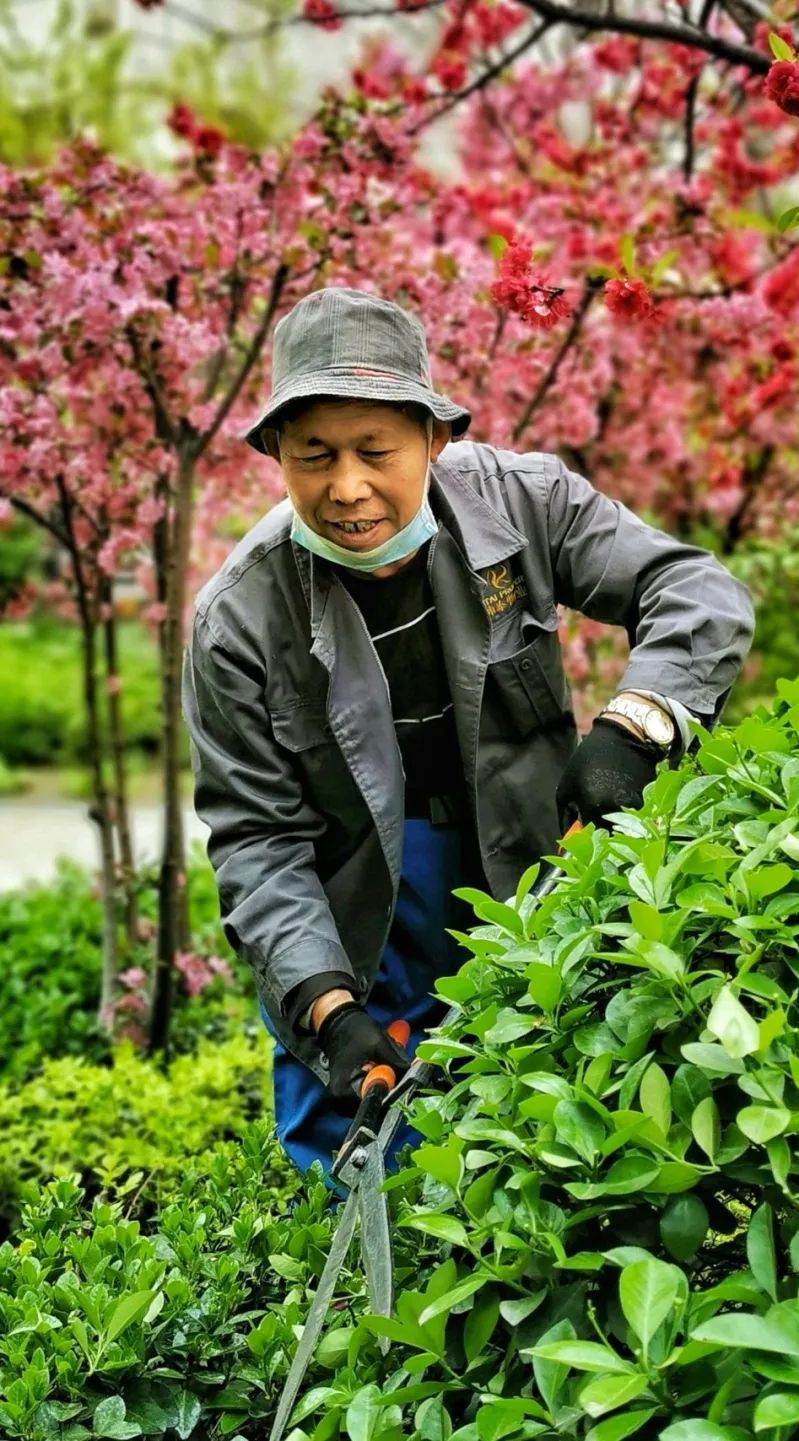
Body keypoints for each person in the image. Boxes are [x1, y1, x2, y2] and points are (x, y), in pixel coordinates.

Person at [182, 287, 754, 1181]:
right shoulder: (238, 620)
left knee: (549, 1149)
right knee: (356, 1166)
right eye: (314, 455)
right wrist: (328, 1007)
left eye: (375, 450)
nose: (346, 487)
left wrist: (636, 728)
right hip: (358, 908)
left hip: (527, 862)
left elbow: (693, 592)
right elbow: (258, 839)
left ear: (435, 438)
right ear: (275, 455)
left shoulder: (523, 504)